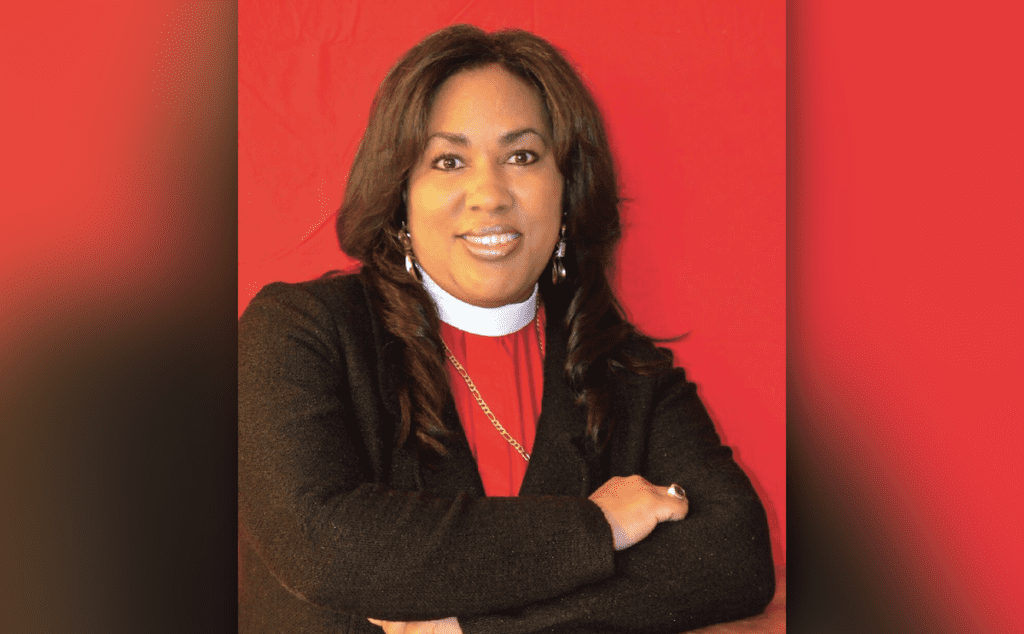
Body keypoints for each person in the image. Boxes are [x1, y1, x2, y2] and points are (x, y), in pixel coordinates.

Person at [238, 25, 775, 634]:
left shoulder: (629, 373)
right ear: (400, 195)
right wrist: (598, 528)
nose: (489, 194)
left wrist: (484, 630)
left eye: (522, 156)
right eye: (448, 160)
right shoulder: (301, 334)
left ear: (566, 189)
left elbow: (734, 556)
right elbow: (324, 542)